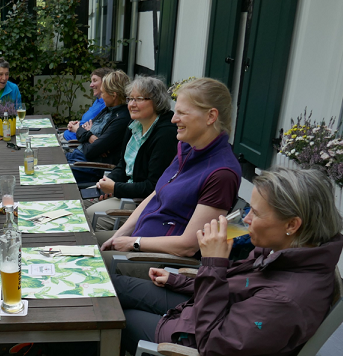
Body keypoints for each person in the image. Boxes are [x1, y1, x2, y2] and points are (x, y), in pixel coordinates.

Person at [115, 167, 343, 356]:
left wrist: (212, 264)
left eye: (256, 213)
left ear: (292, 225)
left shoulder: (287, 299)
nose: (246, 219)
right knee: (117, 287)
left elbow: (210, 342)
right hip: (204, 315)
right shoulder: (288, 253)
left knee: (115, 318)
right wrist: (180, 281)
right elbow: (239, 287)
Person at [99, 77, 242, 259]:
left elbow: (188, 246)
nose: (174, 119)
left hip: (160, 261)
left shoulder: (221, 173)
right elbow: (156, 193)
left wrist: (133, 243)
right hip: (140, 239)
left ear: (211, 116)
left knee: (86, 258)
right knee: (82, 240)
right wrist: (121, 233)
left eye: (182, 113)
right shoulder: (187, 148)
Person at [85, 75, 178, 229]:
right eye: (130, 99)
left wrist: (115, 188)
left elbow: (154, 186)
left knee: (88, 216)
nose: (132, 104)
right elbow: (123, 165)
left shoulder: (166, 135)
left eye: (139, 99)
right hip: (124, 190)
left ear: (157, 101)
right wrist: (109, 181)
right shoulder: (134, 125)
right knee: (79, 200)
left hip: (142, 203)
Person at [65, 70, 131, 183]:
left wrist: (87, 135)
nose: (102, 97)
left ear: (114, 95)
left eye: (103, 93)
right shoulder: (108, 110)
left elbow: (90, 151)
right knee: (43, 159)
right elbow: (86, 130)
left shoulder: (121, 119)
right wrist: (90, 137)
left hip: (88, 167)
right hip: (77, 156)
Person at [61, 67, 112, 142]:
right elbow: (87, 123)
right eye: (91, 81)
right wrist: (75, 124)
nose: (91, 85)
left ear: (105, 83)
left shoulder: (106, 105)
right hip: (67, 136)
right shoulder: (98, 101)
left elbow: (94, 133)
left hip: (71, 143)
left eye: (95, 81)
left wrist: (77, 129)